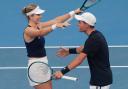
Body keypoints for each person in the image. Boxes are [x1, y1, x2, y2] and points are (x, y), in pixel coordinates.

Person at [22, 3, 81, 89]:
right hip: (36, 67)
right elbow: (40, 33)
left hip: (43, 64)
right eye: (38, 14)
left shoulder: (39, 25)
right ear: (31, 16)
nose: (41, 16)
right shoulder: (28, 30)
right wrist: (55, 26)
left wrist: (74, 12)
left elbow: (56, 20)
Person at [54, 12, 113, 89]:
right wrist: (69, 51)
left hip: (100, 81)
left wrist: (62, 72)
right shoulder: (96, 35)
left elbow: (79, 60)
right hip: (101, 79)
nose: (77, 24)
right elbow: (83, 48)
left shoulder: (93, 39)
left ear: (87, 24)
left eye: (80, 22)